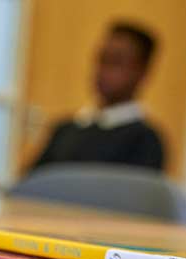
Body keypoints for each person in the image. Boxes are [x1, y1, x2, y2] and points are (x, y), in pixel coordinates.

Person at [31, 21, 164, 171]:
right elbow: (31, 184)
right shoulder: (65, 130)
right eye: (101, 59)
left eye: (116, 62)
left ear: (141, 72)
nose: (103, 70)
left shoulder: (145, 141)